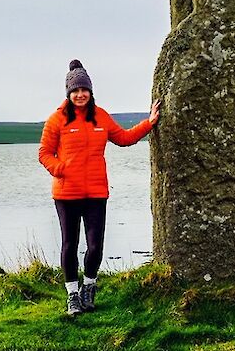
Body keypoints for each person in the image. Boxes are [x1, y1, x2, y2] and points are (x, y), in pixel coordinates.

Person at [38, 59, 161, 316]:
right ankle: (72, 294)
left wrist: (149, 123)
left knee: (95, 246)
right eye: (75, 91)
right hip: (66, 194)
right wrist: (61, 169)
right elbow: (45, 153)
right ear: (69, 94)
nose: (80, 95)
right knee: (69, 245)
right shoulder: (56, 120)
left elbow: (124, 138)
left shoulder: (101, 116)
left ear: (90, 92)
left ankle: (89, 286)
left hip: (96, 193)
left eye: (84, 90)